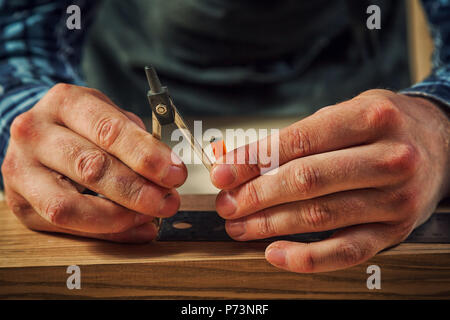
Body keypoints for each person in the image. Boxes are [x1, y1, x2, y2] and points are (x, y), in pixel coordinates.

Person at [0, 0, 448, 273]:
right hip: (120, 103)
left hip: (360, 129)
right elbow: (19, 34)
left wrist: (438, 125)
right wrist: (29, 115)